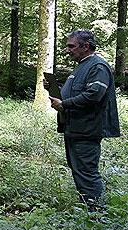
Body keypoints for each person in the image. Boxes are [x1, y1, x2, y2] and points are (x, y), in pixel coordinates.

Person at [47, 30, 120, 211]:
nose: (67, 50)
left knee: (87, 172)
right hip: (74, 128)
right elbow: (76, 92)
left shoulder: (98, 67)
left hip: (87, 130)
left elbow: (94, 95)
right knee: (79, 170)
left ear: (85, 46)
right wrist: (53, 89)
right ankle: (88, 212)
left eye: (71, 46)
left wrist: (64, 104)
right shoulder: (82, 66)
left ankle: (96, 215)